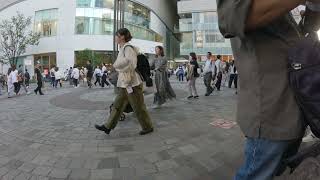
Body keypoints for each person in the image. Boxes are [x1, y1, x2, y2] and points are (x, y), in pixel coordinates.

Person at [217, 1, 320, 179]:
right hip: (270, 112)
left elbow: (303, 33)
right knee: (255, 175)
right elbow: (229, 18)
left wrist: (314, 9)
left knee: (271, 171)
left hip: (291, 110)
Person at [95, 28, 154, 135]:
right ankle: (108, 126)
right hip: (125, 83)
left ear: (122, 36)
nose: (115, 38)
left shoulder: (128, 48)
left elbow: (132, 64)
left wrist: (118, 67)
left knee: (138, 107)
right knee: (117, 105)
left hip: (132, 83)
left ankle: (148, 127)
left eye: (117, 35)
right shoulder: (123, 48)